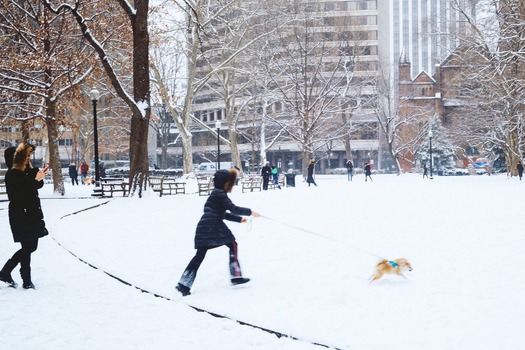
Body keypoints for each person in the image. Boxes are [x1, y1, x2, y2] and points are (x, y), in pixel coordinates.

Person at [175, 168, 260, 296]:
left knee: (200, 255)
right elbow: (233, 208)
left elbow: (222, 213)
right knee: (232, 244)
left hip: (206, 226)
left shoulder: (215, 194)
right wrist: (250, 212)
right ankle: (236, 276)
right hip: (213, 225)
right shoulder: (220, 194)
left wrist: (239, 219)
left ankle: (183, 284)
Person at [0, 143, 49, 289]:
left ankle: (6, 272)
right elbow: (21, 195)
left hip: (32, 213)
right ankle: (26, 280)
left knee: (31, 246)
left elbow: (38, 186)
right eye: (24, 157)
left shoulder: (26, 171)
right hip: (21, 214)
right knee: (27, 246)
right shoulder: (12, 174)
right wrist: (34, 180)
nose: (27, 159)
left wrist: (36, 173)